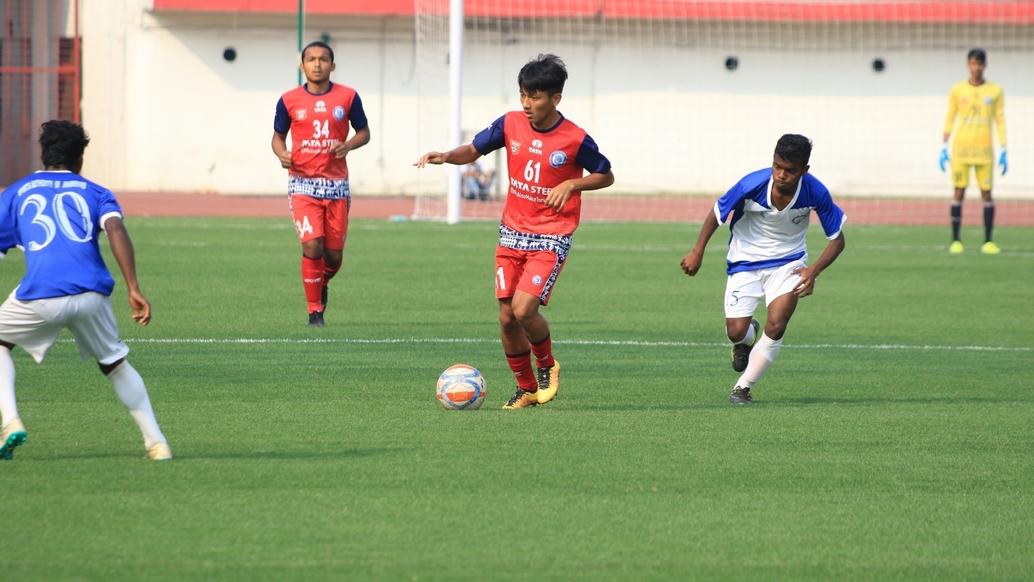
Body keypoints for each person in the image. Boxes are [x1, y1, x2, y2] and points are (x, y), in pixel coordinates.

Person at [416, 54, 614, 409]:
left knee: (524, 310)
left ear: (555, 99)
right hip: (511, 233)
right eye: (523, 94)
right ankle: (526, 389)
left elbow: (606, 174)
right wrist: (446, 156)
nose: (526, 104)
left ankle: (548, 365)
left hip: (551, 235)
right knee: (507, 318)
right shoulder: (509, 124)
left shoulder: (574, 138)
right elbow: (474, 149)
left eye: (535, 96)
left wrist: (572, 184)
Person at [0, 120, 171, 460]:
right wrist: (134, 287)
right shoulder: (96, 192)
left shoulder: (15, 193)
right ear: (80, 158)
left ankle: (11, 420)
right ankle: (157, 443)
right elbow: (116, 229)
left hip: (41, 293)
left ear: (43, 153)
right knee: (116, 364)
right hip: (92, 294)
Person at [681, 134, 845, 405]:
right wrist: (697, 251)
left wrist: (813, 271)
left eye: (790, 171)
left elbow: (837, 240)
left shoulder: (815, 192)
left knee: (778, 323)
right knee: (735, 331)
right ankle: (746, 338)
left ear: (804, 170)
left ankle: (742, 387)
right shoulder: (751, 184)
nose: (781, 175)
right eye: (777, 166)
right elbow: (716, 213)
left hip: (788, 263)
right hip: (744, 262)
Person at [272, 40, 371, 327]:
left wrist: (349, 145)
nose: (317, 64)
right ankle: (315, 311)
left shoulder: (348, 97)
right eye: (311, 59)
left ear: (332, 65)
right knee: (312, 245)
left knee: (334, 256)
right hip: (302, 184)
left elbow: (364, 131)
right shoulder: (289, 100)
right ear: (302, 66)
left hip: (336, 186)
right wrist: (282, 154)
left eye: (323, 59)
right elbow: (278, 136)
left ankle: (320, 281)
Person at [940, 48, 1007, 255]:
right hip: (961, 150)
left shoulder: (995, 91)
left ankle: (988, 241)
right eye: (973, 63)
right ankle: (955, 240)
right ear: (968, 65)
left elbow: (1000, 119)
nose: (976, 67)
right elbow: (950, 116)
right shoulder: (958, 90)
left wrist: (1004, 146)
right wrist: (944, 145)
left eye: (979, 64)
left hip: (984, 151)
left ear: (984, 65)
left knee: (987, 194)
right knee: (958, 192)